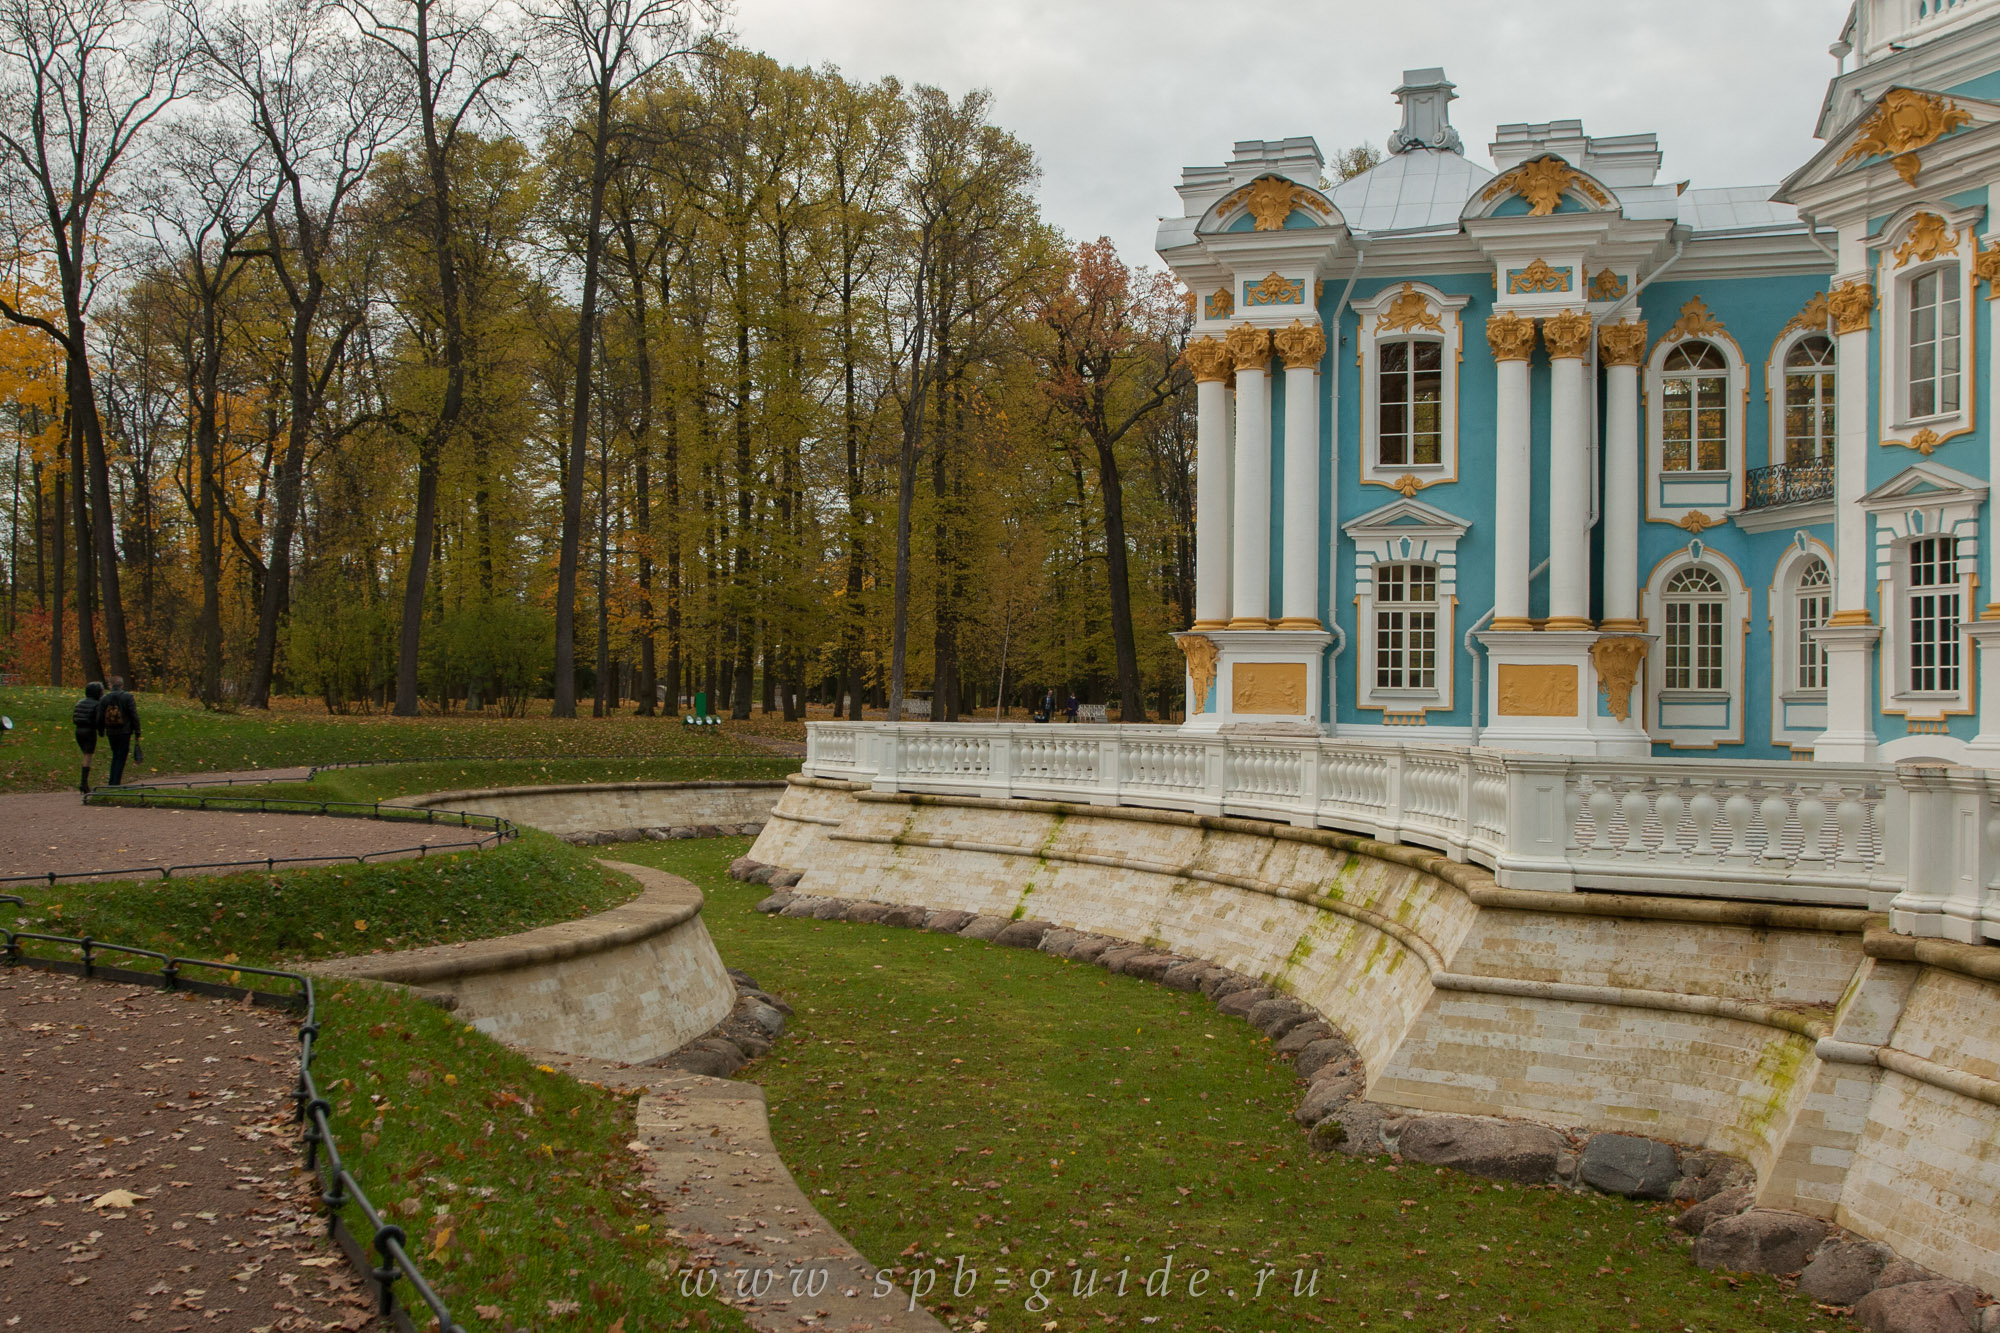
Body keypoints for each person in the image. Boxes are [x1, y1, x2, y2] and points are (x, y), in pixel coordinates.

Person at [94, 675, 141, 787]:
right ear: (121, 685)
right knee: (121, 756)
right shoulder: (127, 697)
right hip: (125, 731)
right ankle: (115, 783)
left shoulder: (105, 698)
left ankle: (113, 781)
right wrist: (137, 730)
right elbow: (133, 714)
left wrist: (101, 730)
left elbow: (100, 716)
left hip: (111, 731)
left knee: (116, 754)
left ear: (110, 685)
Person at [71, 682, 103, 794]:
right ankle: (83, 783)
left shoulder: (79, 703)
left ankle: (84, 782)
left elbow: (74, 718)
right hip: (89, 731)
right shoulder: (97, 704)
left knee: (85, 754)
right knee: (88, 755)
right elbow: (98, 720)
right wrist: (100, 731)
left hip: (79, 730)